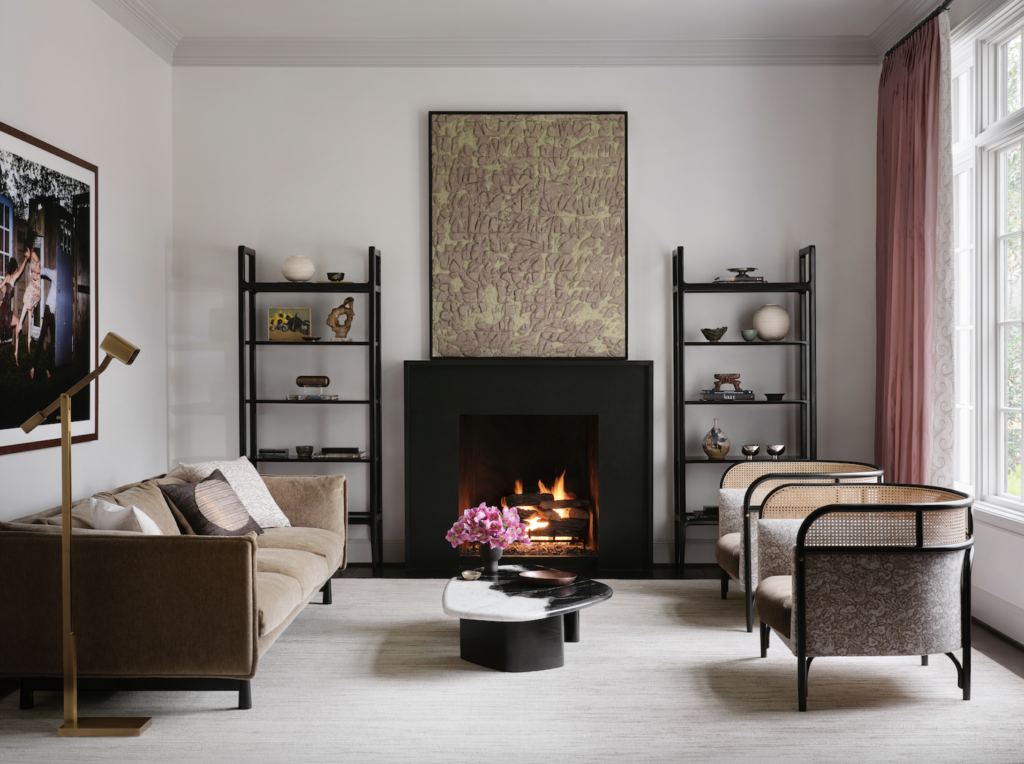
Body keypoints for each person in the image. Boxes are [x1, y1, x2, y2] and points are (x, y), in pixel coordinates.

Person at [11, 238, 41, 367]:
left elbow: (38, 266)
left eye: (26, 254)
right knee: (29, 309)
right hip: (34, 285)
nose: (26, 257)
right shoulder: (31, 256)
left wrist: (36, 272)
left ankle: (20, 325)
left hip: (35, 287)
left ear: (29, 250)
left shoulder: (33, 254)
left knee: (26, 301)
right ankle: (29, 338)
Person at [31, 255, 59, 379]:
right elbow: (45, 271)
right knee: (42, 336)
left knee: (53, 340)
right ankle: (33, 368)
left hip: (54, 312)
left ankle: (48, 368)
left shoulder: (64, 278)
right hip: (48, 310)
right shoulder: (56, 274)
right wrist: (37, 268)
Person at [0, 252, 28, 343]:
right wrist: (25, 260)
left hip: (4, 305)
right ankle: (16, 350)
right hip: (6, 306)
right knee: (17, 322)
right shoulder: (14, 276)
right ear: (15, 268)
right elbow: (21, 270)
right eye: (16, 268)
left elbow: (0, 286)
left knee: (5, 322)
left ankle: (16, 350)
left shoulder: (7, 277)